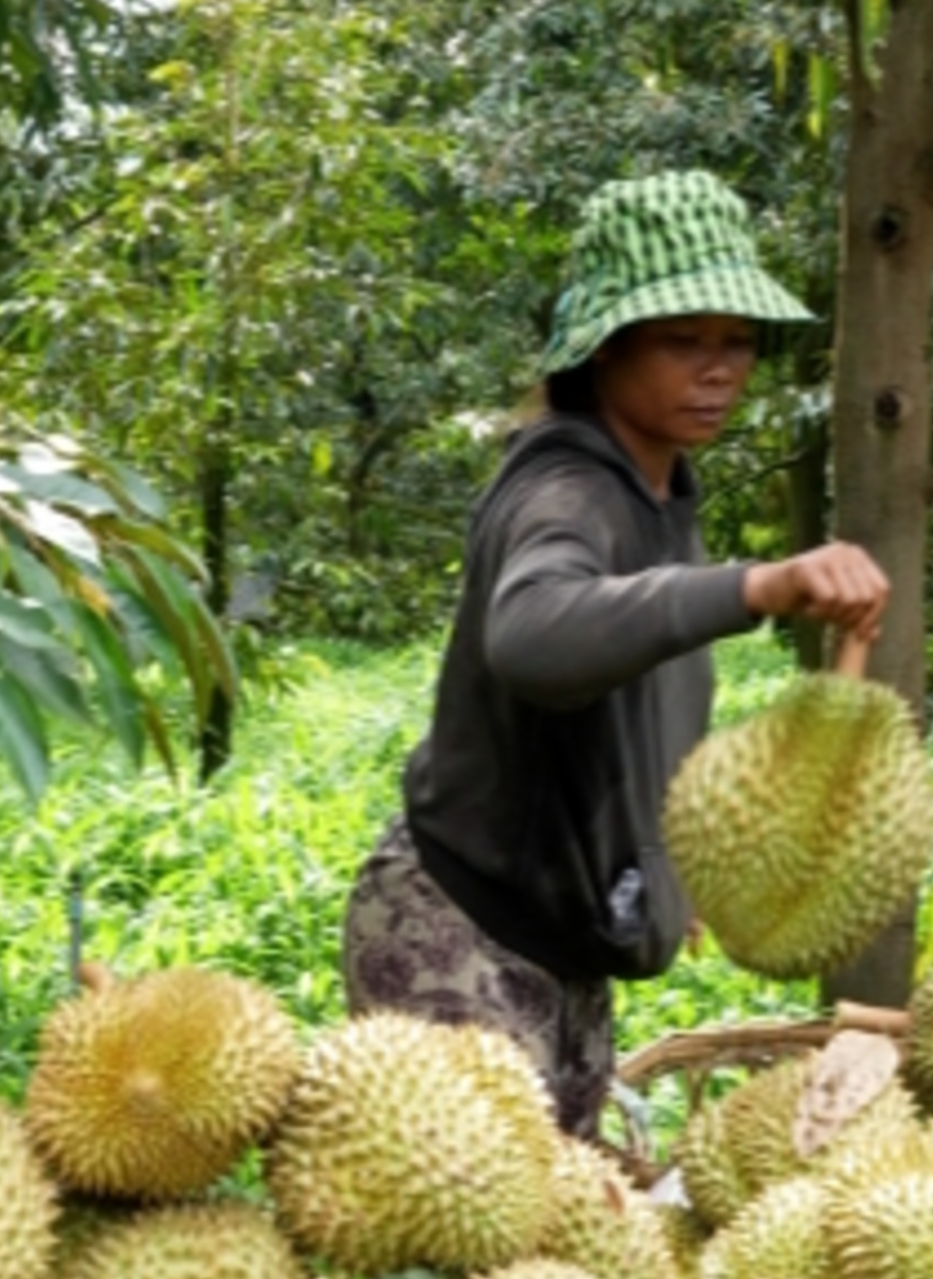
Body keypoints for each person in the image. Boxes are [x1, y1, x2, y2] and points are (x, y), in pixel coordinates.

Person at [344, 172, 891, 1136]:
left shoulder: (658, 495)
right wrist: (757, 585)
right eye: (684, 341)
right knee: (466, 1274)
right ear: (603, 350)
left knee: (563, 1262)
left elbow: (637, 697)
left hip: (566, 945)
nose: (720, 369)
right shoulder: (566, 491)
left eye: (738, 342)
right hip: (461, 937)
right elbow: (535, 634)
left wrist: (662, 867)